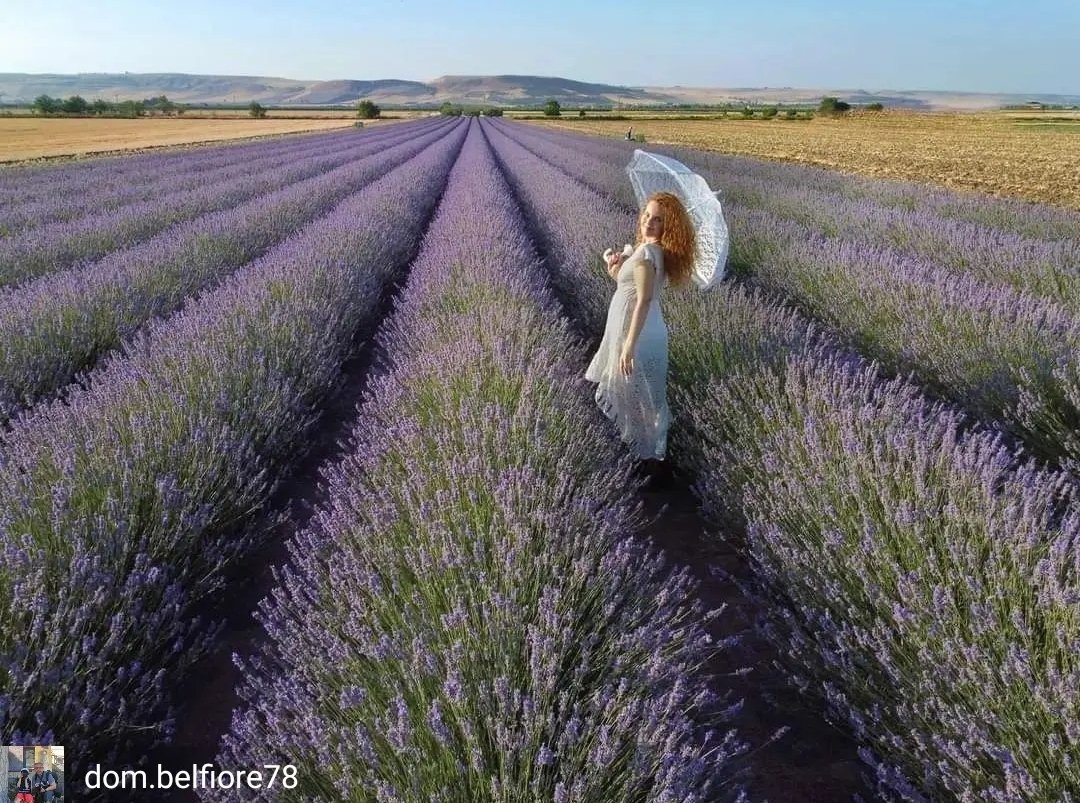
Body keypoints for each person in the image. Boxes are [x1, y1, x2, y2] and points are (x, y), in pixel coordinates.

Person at [585, 191, 695, 485]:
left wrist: (628, 346)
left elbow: (644, 299)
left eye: (657, 220)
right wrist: (615, 267)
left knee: (643, 399)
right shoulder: (647, 251)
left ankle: (654, 468)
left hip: (640, 336)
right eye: (647, 215)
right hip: (644, 332)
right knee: (643, 398)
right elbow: (629, 288)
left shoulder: (647, 254)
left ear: (666, 227)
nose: (648, 222)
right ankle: (647, 459)